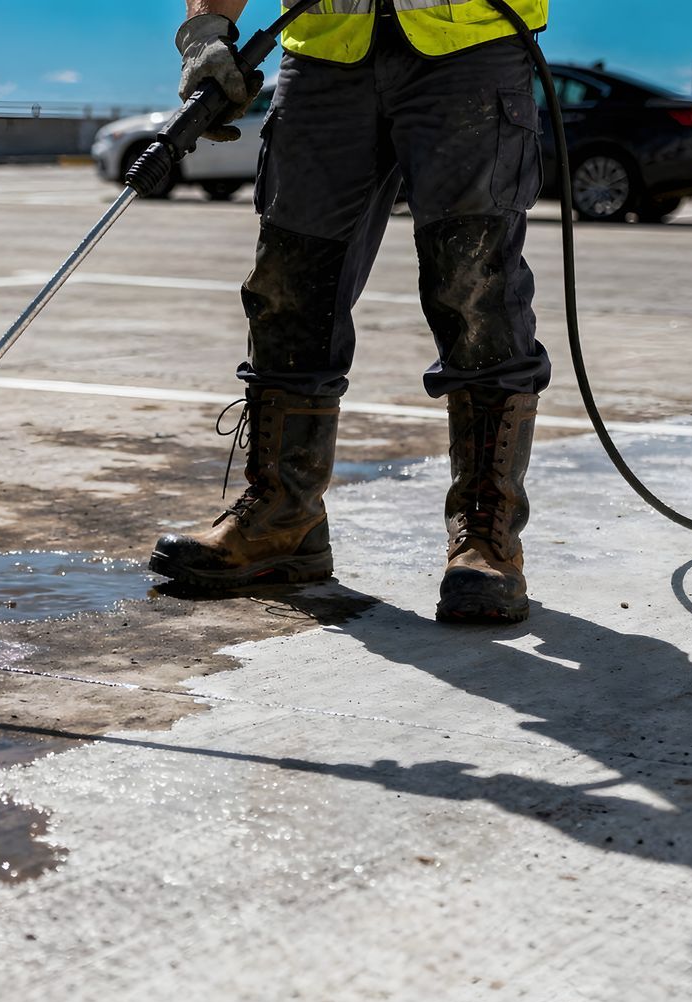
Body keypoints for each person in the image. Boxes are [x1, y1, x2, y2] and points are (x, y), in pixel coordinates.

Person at [148, 0, 550, 624]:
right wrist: (206, 29)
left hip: (469, 46)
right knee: (289, 284)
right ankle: (284, 519)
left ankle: (486, 537)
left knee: (476, 286)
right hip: (324, 51)